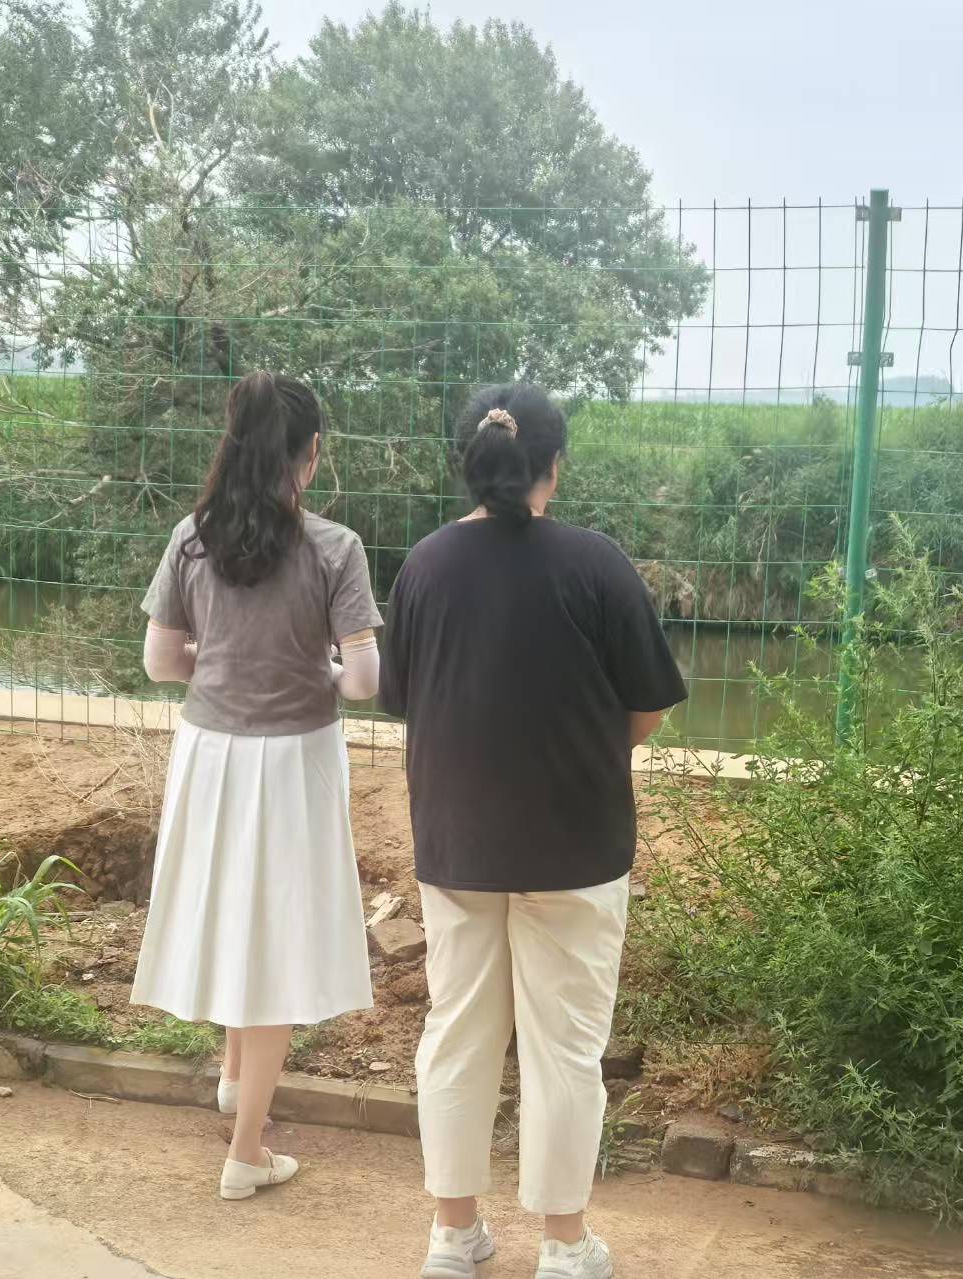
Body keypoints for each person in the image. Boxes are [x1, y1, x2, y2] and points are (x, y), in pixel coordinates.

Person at [381, 385, 687, 1279]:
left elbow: (407, 698)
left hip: (457, 841)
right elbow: (647, 708)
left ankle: (454, 1235)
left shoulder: (425, 566)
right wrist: (581, 749)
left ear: (466, 464)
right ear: (556, 465)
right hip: (576, 844)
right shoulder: (597, 564)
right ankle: (564, 1246)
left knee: (457, 1031)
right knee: (566, 1047)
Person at [131, 370, 383, 1201]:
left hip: (210, 753)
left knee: (232, 911)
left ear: (233, 443)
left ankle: (235, 1076)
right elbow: (363, 683)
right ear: (311, 455)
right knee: (276, 942)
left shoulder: (190, 539)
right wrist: (321, 666)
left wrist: (221, 663)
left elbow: (159, 661)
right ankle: (246, 1151)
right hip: (296, 759)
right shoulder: (336, 547)